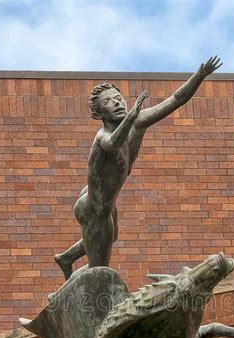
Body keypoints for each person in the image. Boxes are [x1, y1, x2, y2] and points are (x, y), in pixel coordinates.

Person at [55, 56, 222, 279]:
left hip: (105, 201)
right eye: (108, 101)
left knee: (111, 239)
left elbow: (175, 100)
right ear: (98, 113)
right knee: (99, 274)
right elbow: (112, 143)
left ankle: (66, 257)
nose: (116, 102)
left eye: (118, 98)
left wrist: (199, 76)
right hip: (95, 210)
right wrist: (131, 115)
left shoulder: (139, 122)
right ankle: (64, 291)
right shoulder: (102, 136)